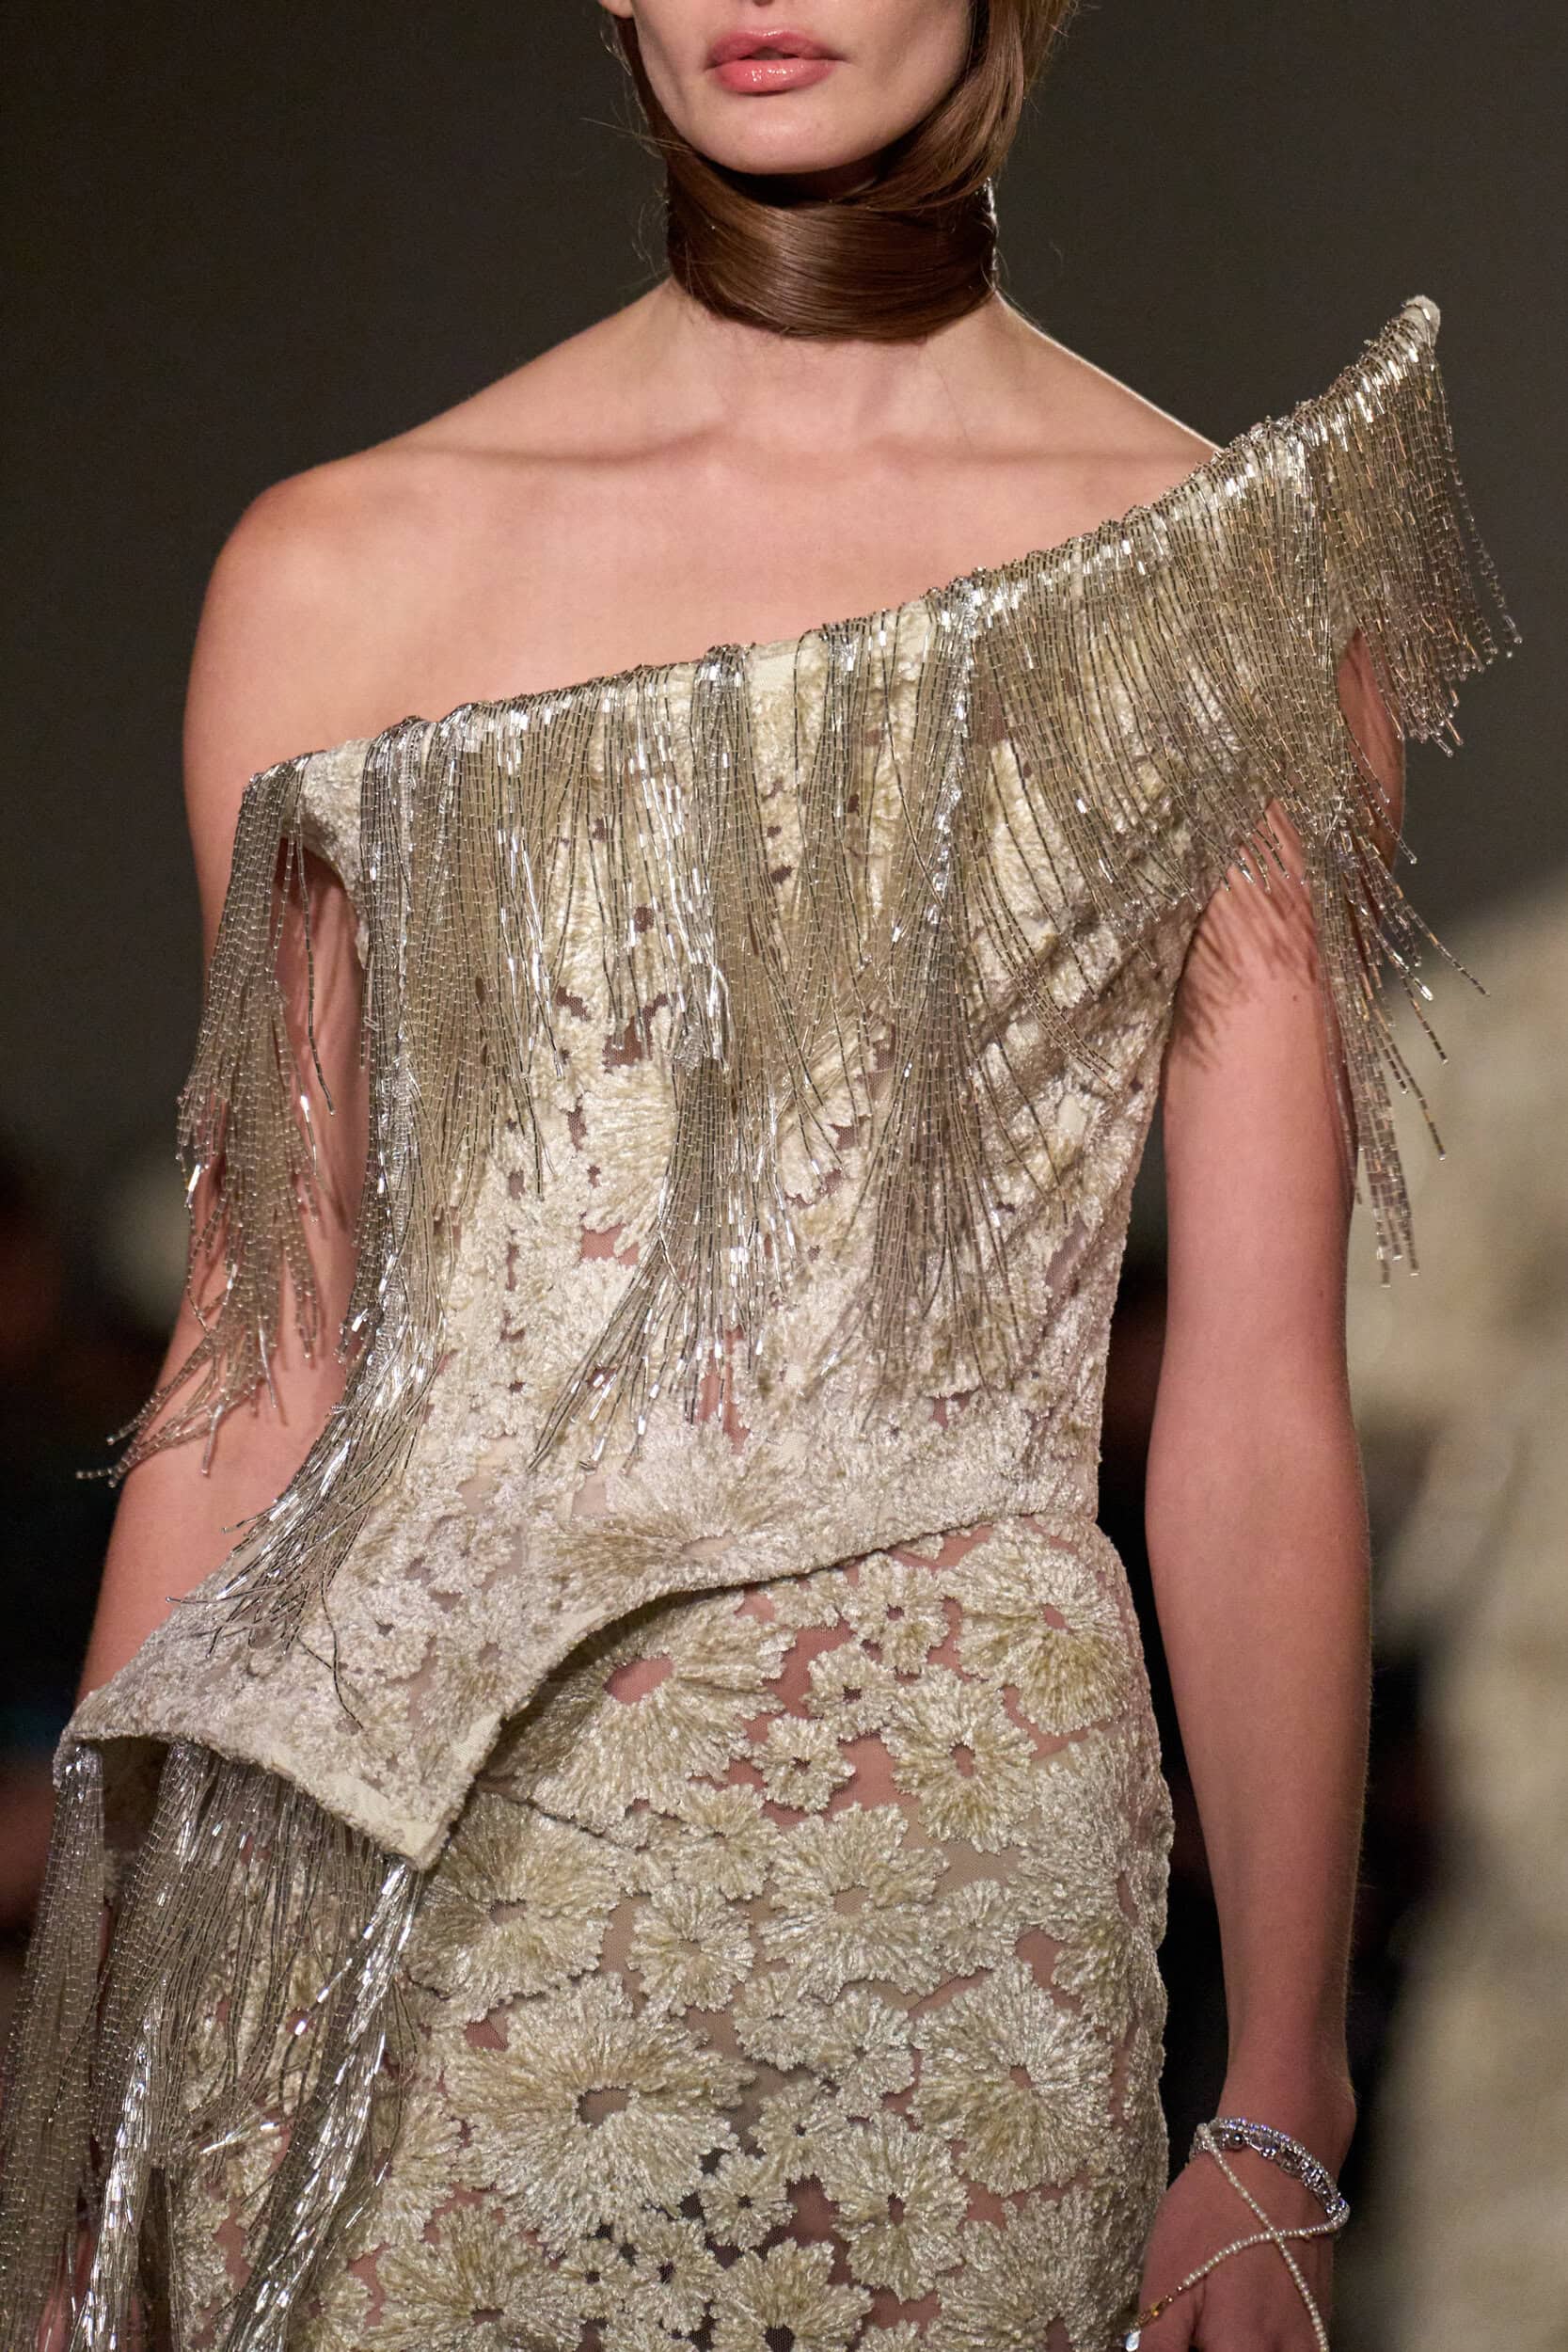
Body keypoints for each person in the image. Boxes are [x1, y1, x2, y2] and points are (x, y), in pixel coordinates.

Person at [0, 5, 1519, 2347]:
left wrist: (1283, 2092)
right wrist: (111, 2080)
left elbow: (1249, 1392)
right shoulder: (346, 572)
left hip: (947, 1903)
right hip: (390, 1905)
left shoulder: (1225, 592)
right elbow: (254, 1362)